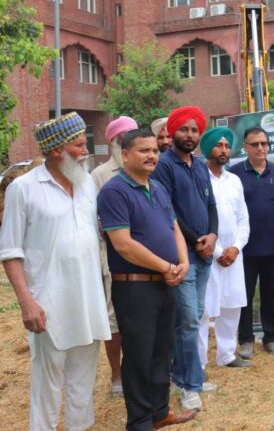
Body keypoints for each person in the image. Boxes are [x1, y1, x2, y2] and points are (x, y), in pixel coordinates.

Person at [0, 112, 111, 430]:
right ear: (56, 150)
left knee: (83, 382)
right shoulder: (23, 189)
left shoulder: (86, 184)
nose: (86, 151)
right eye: (78, 145)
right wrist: (27, 303)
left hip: (88, 300)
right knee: (47, 384)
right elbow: (10, 251)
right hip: (48, 303)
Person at [97, 128, 197, 430]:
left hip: (165, 282)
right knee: (139, 355)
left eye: (154, 150)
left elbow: (174, 228)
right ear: (125, 155)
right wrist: (166, 266)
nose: (152, 155)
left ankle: (159, 411)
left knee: (161, 351)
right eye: (144, 150)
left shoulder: (158, 188)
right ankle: (140, 421)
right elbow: (123, 244)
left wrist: (183, 262)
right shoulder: (114, 191)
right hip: (134, 286)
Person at [151, 106, 218, 411]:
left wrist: (213, 236)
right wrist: (196, 241)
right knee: (188, 320)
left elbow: (211, 205)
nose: (190, 135)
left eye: (194, 130)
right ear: (173, 131)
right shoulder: (164, 166)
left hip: (205, 253)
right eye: (184, 129)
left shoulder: (200, 165)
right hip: (182, 254)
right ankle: (189, 384)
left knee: (194, 317)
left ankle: (185, 376)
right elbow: (168, 213)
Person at [91, 115, 138, 396]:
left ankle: (138, 370)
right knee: (114, 318)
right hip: (112, 258)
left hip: (147, 258)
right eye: (126, 137)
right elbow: (95, 219)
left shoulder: (146, 169)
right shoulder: (99, 175)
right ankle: (117, 375)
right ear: (115, 142)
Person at [197, 128, 251, 368]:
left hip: (234, 254)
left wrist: (236, 248)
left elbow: (243, 219)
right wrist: (219, 251)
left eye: (227, 146)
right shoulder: (199, 178)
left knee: (232, 304)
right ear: (207, 148)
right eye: (218, 145)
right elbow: (198, 219)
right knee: (204, 309)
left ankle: (226, 355)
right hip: (208, 253)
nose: (224, 150)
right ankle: (199, 362)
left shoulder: (234, 180)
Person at [229, 127, 274, 358]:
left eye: (264, 143)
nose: (260, 148)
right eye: (254, 144)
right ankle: (246, 340)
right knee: (244, 296)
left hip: (273, 246)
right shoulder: (234, 174)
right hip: (244, 249)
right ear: (245, 147)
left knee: (271, 295)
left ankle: (271, 338)